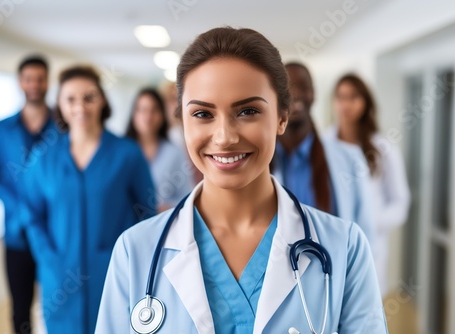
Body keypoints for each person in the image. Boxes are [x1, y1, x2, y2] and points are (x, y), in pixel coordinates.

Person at [96, 27, 386, 333]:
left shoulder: (345, 247)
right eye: (203, 114)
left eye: (247, 111)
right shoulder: (135, 250)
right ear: (181, 120)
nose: (224, 137)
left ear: (282, 117)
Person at [22, 66, 156, 334]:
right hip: (59, 278)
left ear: (102, 100)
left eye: (89, 97)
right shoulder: (44, 158)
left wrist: (132, 260)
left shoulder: (127, 154)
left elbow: (147, 214)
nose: (80, 107)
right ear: (59, 104)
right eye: (70, 99)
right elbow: (32, 215)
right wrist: (49, 258)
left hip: (114, 275)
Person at [0, 55, 57, 334]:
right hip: (17, 235)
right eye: (29, 79)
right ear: (20, 82)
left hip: (55, 233)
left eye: (40, 78)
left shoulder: (62, 129)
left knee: (58, 302)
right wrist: (20, 206)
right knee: (20, 308)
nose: (35, 84)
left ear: (47, 82)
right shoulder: (0, 131)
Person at [326, 73, 411, 296]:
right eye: (340, 97)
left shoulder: (384, 149)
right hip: (330, 244)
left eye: (353, 97)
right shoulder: (323, 146)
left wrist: (368, 220)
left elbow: (400, 204)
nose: (345, 104)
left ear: (365, 102)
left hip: (370, 247)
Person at [272, 62, 374, 245]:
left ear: (313, 94)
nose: (295, 94)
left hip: (334, 272)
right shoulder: (260, 162)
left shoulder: (348, 157)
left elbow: (365, 232)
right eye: (287, 88)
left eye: (303, 87)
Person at [126, 88, 194, 211]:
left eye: (154, 110)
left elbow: (187, 195)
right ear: (133, 114)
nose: (148, 116)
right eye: (142, 110)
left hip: (161, 223)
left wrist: (169, 207)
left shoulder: (174, 153)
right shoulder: (121, 152)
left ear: (162, 114)